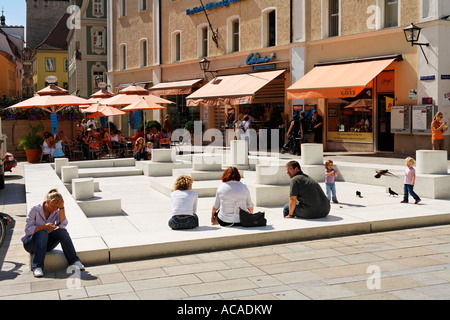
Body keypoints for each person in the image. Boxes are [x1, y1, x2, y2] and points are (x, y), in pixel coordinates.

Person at [22, 189, 85, 277]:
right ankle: (37, 267)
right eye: (53, 206)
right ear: (47, 202)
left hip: (46, 244)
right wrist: (44, 227)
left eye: (57, 207)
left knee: (62, 232)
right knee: (42, 232)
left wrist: (62, 208)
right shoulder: (35, 210)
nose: (55, 209)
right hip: (30, 244)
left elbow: (62, 225)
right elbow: (27, 230)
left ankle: (74, 261)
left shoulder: (56, 211)